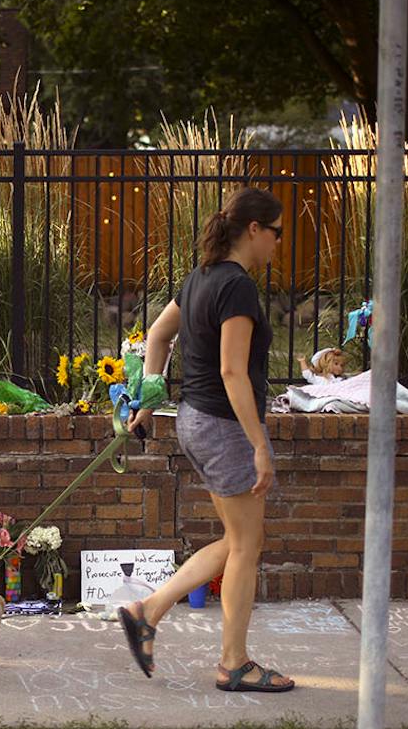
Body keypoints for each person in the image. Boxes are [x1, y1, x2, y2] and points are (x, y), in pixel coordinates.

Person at [118, 186, 294, 692]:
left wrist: (148, 401)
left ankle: (147, 609)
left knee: (242, 540)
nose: (278, 244)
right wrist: (259, 444)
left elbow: (156, 335)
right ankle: (234, 664)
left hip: (194, 420)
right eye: (276, 233)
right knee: (246, 548)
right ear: (254, 230)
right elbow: (232, 371)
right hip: (224, 427)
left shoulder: (199, 277)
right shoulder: (236, 286)